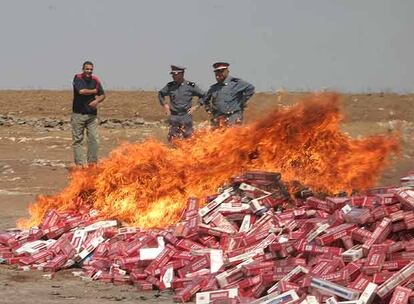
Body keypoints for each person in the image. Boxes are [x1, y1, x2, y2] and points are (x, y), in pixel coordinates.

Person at [71, 61, 105, 166]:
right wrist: (94, 91)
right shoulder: (78, 78)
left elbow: (103, 94)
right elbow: (81, 91)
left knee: (94, 139)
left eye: (91, 69)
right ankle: (80, 164)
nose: (89, 71)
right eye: (87, 69)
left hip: (92, 115)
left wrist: (97, 101)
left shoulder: (95, 80)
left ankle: (92, 163)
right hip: (78, 114)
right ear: (83, 69)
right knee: (78, 140)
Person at [158, 65, 205, 141]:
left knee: (189, 138)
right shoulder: (170, 86)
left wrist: (196, 107)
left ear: (182, 74)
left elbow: (203, 95)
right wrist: (165, 105)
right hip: (174, 116)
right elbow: (160, 94)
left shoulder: (190, 86)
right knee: (173, 138)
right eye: (172, 74)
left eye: (175, 74)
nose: (173, 76)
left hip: (186, 116)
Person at [202, 62, 255, 127]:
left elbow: (250, 88)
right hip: (218, 119)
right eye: (217, 72)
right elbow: (205, 100)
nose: (218, 74)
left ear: (227, 71)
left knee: (233, 136)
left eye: (221, 71)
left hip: (233, 117)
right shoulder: (214, 88)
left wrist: (242, 101)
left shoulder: (236, 83)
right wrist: (209, 110)